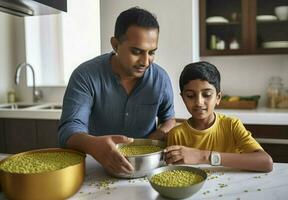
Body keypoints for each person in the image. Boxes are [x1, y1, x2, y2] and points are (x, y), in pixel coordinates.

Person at [58, 7, 176, 175]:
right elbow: (68, 129)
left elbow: (169, 120)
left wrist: (145, 144)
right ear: (115, 44)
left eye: (152, 52)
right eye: (136, 51)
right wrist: (93, 145)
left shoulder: (161, 79)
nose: (145, 62)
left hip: (148, 168)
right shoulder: (85, 75)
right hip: (97, 167)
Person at [165, 61, 273, 172]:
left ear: (218, 97)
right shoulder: (176, 134)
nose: (199, 102)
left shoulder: (231, 125)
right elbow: (173, 172)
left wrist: (204, 156)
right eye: (190, 96)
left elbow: (266, 162)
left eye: (206, 95)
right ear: (183, 98)